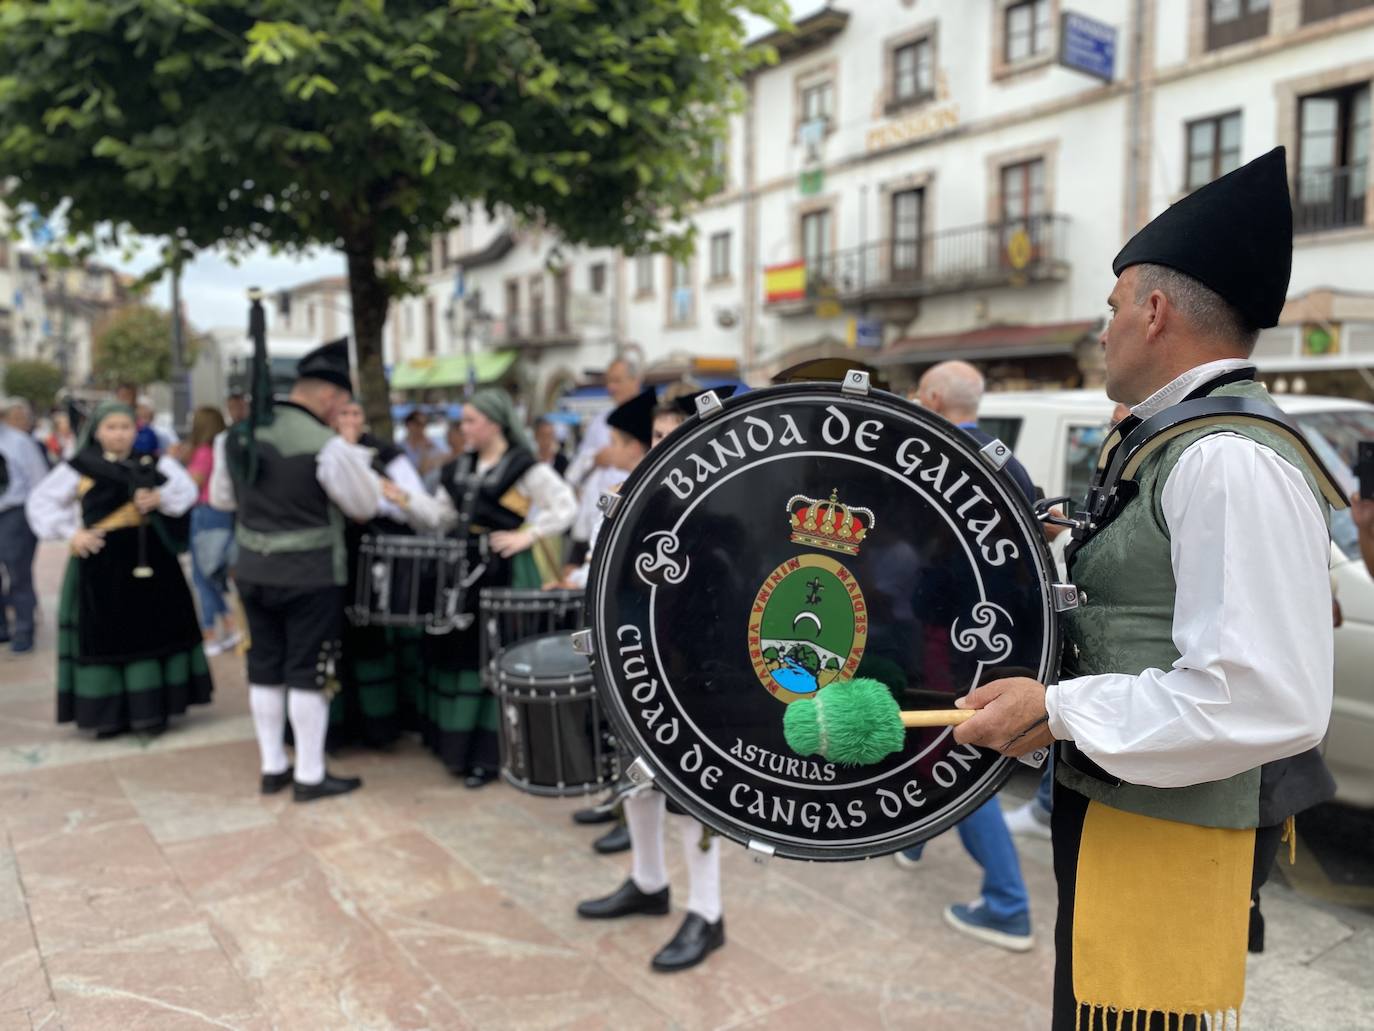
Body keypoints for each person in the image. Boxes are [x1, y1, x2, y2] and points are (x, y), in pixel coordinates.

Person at [952, 148, 1334, 1030]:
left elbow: (1264, 696)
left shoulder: (1227, 457)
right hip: (1131, 805)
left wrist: (1060, 708)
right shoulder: (1180, 441)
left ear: (1155, 312)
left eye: (1114, 306)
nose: (1103, 328)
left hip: (1169, 829)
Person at [574, 384, 729, 973]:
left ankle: (708, 914)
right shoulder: (631, 497)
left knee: (693, 800)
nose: (662, 449)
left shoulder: (719, 507)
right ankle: (647, 881)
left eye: (673, 437)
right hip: (630, 665)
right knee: (634, 779)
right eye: (658, 438)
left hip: (692, 675)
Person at [888, 361, 1035, 953]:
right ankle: (916, 838)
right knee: (945, 749)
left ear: (930, 398)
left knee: (954, 754)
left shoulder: (930, 454)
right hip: (1003, 634)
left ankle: (1008, 904)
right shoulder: (1007, 459)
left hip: (945, 635)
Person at [210, 338, 381, 802]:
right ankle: (308, 774)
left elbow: (222, 499)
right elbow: (364, 504)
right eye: (342, 402)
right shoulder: (326, 446)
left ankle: (272, 766)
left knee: (264, 666)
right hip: (311, 574)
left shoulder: (233, 437)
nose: (341, 410)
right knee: (310, 671)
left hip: (251, 570)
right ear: (328, 396)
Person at [386, 388, 577, 786]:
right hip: (462, 574)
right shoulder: (459, 467)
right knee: (458, 654)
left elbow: (565, 504)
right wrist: (404, 498)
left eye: (471, 420)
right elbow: (442, 517)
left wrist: (528, 535)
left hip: (502, 574)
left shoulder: (524, 468)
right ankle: (456, 747)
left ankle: (489, 756)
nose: (464, 428)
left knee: (494, 655)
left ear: (494, 422)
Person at [25, 401, 212, 735]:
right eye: (111, 428)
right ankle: (107, 715)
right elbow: (40, 501)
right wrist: (73, 534)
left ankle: (153, 711)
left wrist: (159, 500)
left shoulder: (153, 463)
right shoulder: (81, 467)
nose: (118, 434)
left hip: (151, 559)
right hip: (102, 563)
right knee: (106, 636)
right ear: (97, 431)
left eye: (125, 427)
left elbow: (185, 492)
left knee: (154, 629)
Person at [328, 399, 431, 750]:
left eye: (355, 413)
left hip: (382, 556)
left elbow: (413, 502)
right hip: (340, 557)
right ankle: (346, 723)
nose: (350, 419)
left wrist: (376, 501)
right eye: (343, 413)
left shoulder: (386, 453)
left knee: (381, 636)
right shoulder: (328, 451)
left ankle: (387, 721)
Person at [563, 356, 642, 571]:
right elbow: (575, 470)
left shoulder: (650, 416)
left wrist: (628, 461)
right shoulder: (600, 421)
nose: (611, 388)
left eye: (617, 381)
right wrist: (596, 459)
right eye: (609, 381)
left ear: (635, 381)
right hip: (596, 510)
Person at [184, 406, 240, 656]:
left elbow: (192, 483)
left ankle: (211, 632)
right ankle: (227, 624)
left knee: (203, 576)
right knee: (211, 575)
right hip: (223, 513)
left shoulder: (204, 453)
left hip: (206, 512)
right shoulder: (224, 449)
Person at [0, 398, 52, 653]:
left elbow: (39, 481)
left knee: (18, 574)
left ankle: (23, 630)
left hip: (13, 513)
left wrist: (38, 519)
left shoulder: (18, 442)